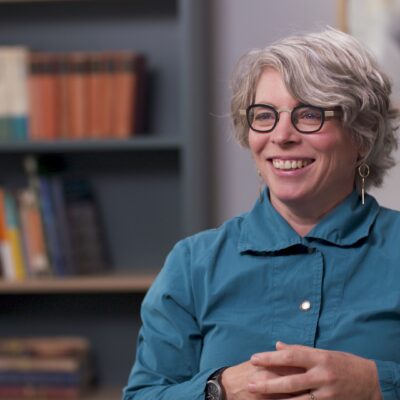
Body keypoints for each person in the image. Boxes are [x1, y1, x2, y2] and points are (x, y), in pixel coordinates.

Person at [123, 27, 400, 400]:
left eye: (310, 114)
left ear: (362, 137)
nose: (281, 135)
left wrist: (375, 385)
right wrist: (218, 390)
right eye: (265, 115)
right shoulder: (193, 265)